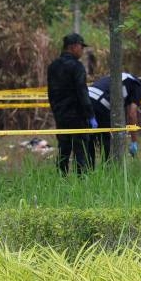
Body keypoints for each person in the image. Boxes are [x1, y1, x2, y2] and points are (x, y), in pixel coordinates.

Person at [47, 33, 95, 175]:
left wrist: (56, 111)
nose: (82, 50)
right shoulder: (77, 66)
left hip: (61, 115)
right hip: (77, 115)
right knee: (81, 150)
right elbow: (82, 92)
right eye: (81, 47)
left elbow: (51, 93)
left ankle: (62, 179)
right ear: (73, 47)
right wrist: (90, 115)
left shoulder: (52, 66)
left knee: (63, 149)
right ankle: (81, 181)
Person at [88, 72, 141, 165]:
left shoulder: (123, 76)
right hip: (101, 102)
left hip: (85, 97)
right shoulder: (138, 86)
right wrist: (134, 141)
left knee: (88, 138)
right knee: (107, 140)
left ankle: (86, 171)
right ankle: (109, 169)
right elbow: (132, 114)